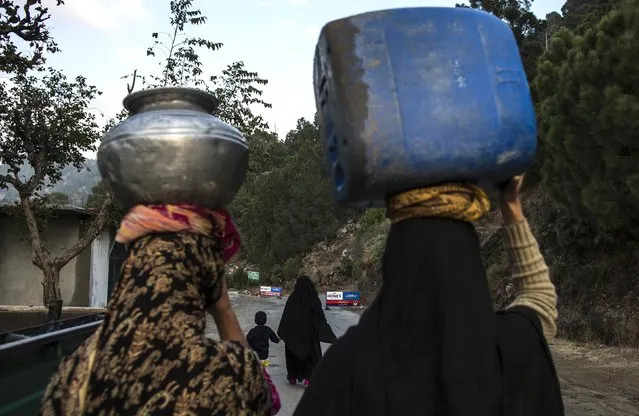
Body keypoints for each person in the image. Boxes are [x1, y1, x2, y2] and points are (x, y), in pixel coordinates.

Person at [294, 176, 565, 415]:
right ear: (471, 265)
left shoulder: (350, 364)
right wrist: (511, 207)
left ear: (395, 263)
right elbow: (539, 299)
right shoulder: (511, 349)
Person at [41, 205, 280, 415]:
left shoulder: (74, 370)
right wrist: (223, 309)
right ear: (206, 284)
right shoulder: (225, 372)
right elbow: (266, 401)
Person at [277, 276, 336, 387]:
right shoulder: (313, 299)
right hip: (309, 335)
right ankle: (310, 379)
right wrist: (326, 331)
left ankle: (293, 377)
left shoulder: (293, 298)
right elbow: (320, 317)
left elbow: (287, 317)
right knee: (311, 357)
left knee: (292, 356)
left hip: (293, 336)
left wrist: (284, 331)